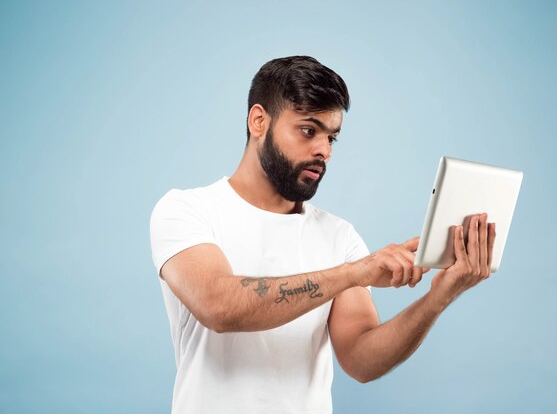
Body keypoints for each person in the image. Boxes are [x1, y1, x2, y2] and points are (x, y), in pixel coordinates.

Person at [149, 55, 496, 414]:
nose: (324, 151)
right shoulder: (187, 210)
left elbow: (361, 360)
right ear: (258, 121)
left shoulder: (338, 236)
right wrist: (353, 273)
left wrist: (437, 298)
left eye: (332, 137)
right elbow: (219, 306)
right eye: (308, 130)